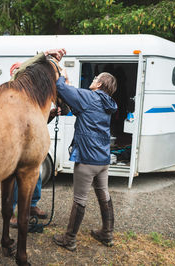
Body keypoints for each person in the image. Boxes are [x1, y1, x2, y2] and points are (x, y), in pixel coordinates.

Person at [53, 70, 118, 251]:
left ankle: (70, 239)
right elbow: (81, 109)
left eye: (96, 78)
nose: (93, 79)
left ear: (99, 85)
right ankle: (107, 233)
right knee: (104, 195)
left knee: (80, 199)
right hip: (103, 160)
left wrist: (62, 75)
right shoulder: (109, 103)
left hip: (87, 159)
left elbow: (60, 88)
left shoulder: (89, 97)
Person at [9, 48, 66, 227]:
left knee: (37, 175)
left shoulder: (32, 97)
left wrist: (50, 115)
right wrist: (46, 54)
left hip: (31, 143)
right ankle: (12, 212)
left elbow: (36, 123)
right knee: (14, 179)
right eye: (21, 71)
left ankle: (32, 205)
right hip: (15, 144)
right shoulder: (11, 92)